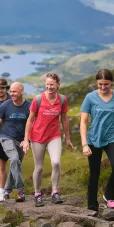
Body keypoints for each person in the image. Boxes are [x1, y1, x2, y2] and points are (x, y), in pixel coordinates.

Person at [80, 69, 114, 212]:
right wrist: (84, 144)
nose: (103, 87)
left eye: (106, 84)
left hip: (111, 138)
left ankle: (109, 195)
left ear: (111, 82)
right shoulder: (90, 98)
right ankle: (92, 206)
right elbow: (83, 122)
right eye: (100, 84)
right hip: (93, 139)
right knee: (94, 174)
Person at [22, 73, 73, 207]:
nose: (49, 87)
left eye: (52, 84)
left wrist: (67, 138)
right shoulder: (38, 99)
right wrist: (26, 139)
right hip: (37, 137)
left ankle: (55, 192)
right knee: (39, 168)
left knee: (56, 163)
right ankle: (38, 194)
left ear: (58, 85)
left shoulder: (62, 99)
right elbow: (30, 119)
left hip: (53, 136)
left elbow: (64, 119)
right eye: (47, 84)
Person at [0, 82, 31, 202]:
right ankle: (20, 191)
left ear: (21, 91)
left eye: (15, 91)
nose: (12, 94)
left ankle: (7, 191)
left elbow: (32, 125)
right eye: (11, 91)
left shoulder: (29, 106)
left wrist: (27, 140)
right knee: (14, 160)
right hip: (6, 138)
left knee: (16, 164)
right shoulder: (5, 106)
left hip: (21, 141)